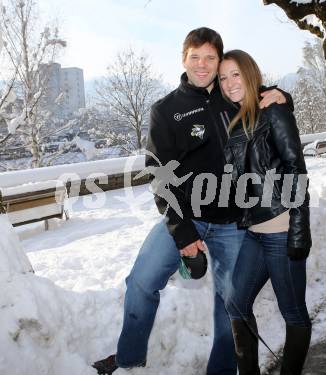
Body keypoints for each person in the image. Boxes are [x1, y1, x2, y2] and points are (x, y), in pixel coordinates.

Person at [92, 28, 292, 375]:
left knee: (230, 304)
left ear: (219, 61)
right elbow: (159, 177)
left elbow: (267, 97)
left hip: (234, 222)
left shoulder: (232, 95)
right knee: (141, 280)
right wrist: (183, 234)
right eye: (195, 57)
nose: (203, 65)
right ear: (183, 59)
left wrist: (282, 95)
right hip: (188, 218)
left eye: (210, 58)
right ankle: (129, 360)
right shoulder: (165, 110)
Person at [219, 50, 312, 375]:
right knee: (235, 303)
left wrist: (300, 229)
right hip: (254, 232)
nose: (230, 83)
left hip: (282, 228)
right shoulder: (235, 119)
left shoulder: (272, 109)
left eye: (235, 74)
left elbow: (294, 168)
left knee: (294, 312)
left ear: (249, 73)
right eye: (223, 77)